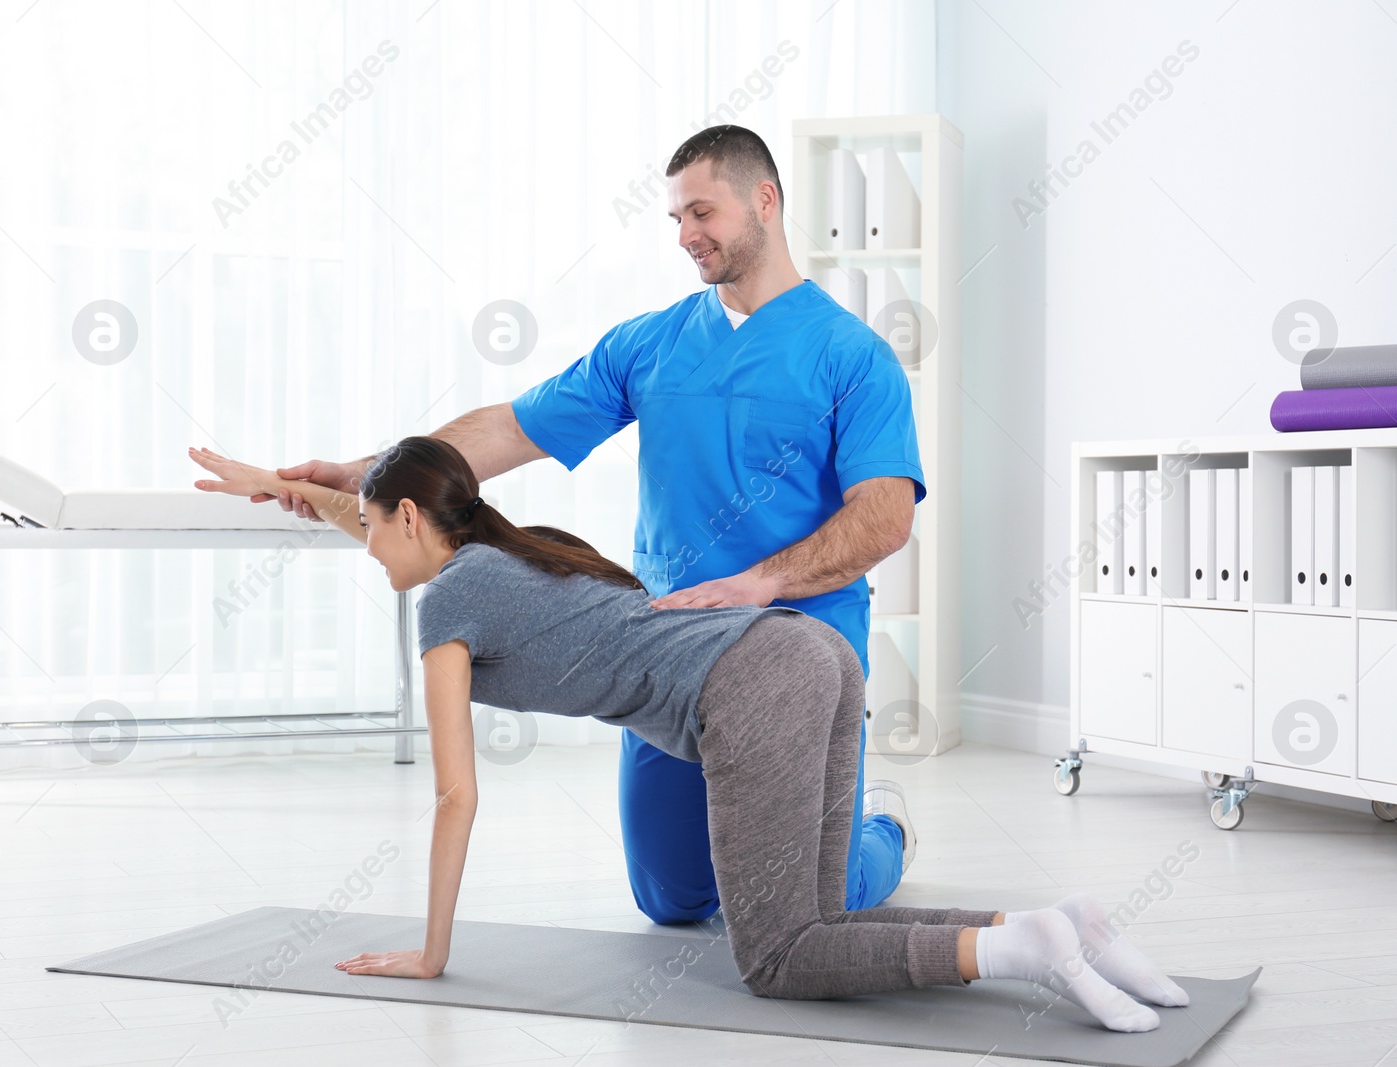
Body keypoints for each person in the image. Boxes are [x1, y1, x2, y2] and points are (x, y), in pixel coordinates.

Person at [188, 439, 1187, 1032]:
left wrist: (433, 951)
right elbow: (368, 519)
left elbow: (455, 794)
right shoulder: (509, 555)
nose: (363, 545)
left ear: (409, 517)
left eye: (368, 527)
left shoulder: (448, 600)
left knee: (781, 956)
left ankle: (1020, 954)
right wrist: (273, 486)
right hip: (807, 649)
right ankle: (1064, 924)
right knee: (819, 915)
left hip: (751, 682)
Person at [255, 125, 920, 925]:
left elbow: (882, 518)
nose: (685, 235)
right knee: (671, 899)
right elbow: (509, 428)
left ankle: (886, 832)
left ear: (765, 202)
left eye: (701, 212)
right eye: (675, 218)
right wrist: (366, 470)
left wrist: (759, 582)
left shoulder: (854, 355)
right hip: (671, 650)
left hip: (800, 644)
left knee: (824, 898)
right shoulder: (651, 343)